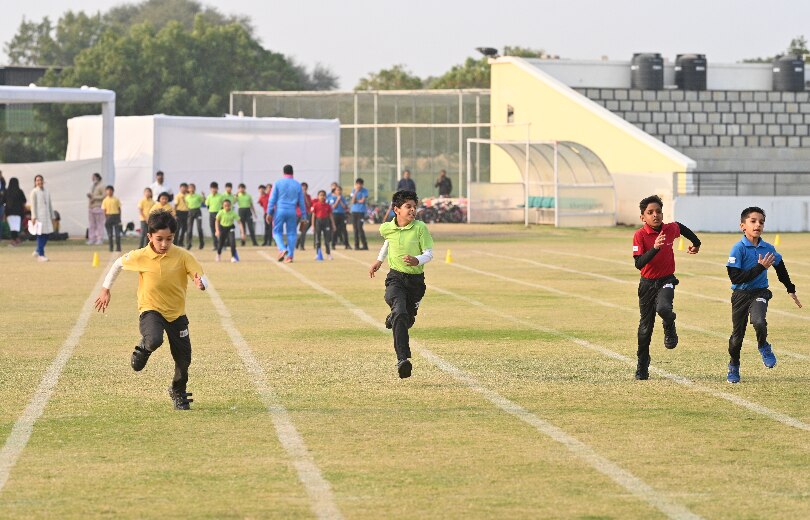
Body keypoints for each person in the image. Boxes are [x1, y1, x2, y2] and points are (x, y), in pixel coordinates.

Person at [93, 210, 207, 410]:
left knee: (184, 359)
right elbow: (117, 264)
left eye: (169, 239)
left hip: (177, 314)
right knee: (154, 339)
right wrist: (105, 289)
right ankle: (143, 349)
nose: (164, 244)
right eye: (159, 239)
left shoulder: (182, 256)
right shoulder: (141, 256)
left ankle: (177, 390)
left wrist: (200, 282)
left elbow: (199, 275)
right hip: (151, 309)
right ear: (149, 237)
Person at [725, 207, 801, 384]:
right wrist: (760, 268)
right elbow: (735, 277)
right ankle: (734, 365)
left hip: (760, 292)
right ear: (743, 226)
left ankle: (763, 346)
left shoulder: (768, 248)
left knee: (758, 321)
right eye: (753, 221)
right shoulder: (738, 248)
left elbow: (780, 267)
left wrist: (790, 288)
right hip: (740, 295)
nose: (757, 224)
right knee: (737, 337)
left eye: (761, 221)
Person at [632, 195, 701, 381]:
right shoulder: (640, 235)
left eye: (658, 211)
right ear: (642, 217)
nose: (655, 215)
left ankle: (669, 324)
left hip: (666, 280)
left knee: (664, 308)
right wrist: (654, 248)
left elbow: (682, 228)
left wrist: (696, 244)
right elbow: (639, 264)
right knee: (645, 328)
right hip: (647, 284)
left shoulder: (670, 229)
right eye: (650, 212)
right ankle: (642, 366)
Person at [369, 190, 434, 378]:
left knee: (406, 320)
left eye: (414, 207)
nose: (413, 210)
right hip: (395, 278)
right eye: (408, 207)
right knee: (400, 312)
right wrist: (379, 260)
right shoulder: (387, 228)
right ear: (396, 209)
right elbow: (388, 241)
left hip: (415, 282)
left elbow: (429, 253)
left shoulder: (420, 228)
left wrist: (417, 260)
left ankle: (394, 318)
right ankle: (402, 359)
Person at [266, 164, 306, 263]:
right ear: (293, 172)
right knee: (292, 233)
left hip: (280, 210)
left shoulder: (278, 183)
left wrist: (269, 212)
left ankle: (282, 248)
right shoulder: (297, 184)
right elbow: (301, 202)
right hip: (292, 211)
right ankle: (290, 256)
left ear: (283, 172)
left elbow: (272, 200)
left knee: (276, 232)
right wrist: (304, 216)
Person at [30, 174, 55, 262]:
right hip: (38, 217)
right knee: (40, 235)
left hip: (47, 216)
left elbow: (50, 205)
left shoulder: (47, 191)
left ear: (43, 181)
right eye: (37, 180)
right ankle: (41, 255)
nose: (39, 182)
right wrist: (33, 217)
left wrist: (53, 216)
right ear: (35, 182)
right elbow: (33, 206)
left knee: (47, 234)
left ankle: (37, 250)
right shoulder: (34, 192)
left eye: (40, 180)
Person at [311, 189, 335, 260]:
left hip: (326, 222)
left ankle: (328, 254)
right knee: (317, 239)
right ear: (318, 196)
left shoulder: (327, 206)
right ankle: (318, 253)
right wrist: (313, 225)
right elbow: (313, 216)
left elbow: (330, 215)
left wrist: (333, 224)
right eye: (321, 195)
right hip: (318, 222)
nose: (322, 197)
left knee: (327, 239)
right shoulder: (315, 205)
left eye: (324, 195)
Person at [2, 177, 26, 246]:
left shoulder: (6, 191)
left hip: (9, 212)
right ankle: (16, 239)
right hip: (18, 212)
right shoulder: (20, 191)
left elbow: (3, 201)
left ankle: (13, 241)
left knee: (12, 227)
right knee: (16, 227)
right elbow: (24, 201)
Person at [328, 184, 351, 249]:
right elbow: (333, 207)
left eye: (340, 190)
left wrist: (340, 200)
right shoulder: (332, 198)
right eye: (338, 190)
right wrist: (337, 200)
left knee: (344, 230)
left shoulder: (342, 198)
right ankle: (333, 244)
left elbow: (344, 207)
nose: (339, 191)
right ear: (335, 191)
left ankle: (347, 244)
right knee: (334, 230)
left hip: (342, 215)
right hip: (335, 215)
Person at [205, 182, 226, 251]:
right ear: (210, 189)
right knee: (213, 230)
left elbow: (224, 206)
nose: (214, 190)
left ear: (217, 189)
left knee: (220, 230)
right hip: (211, 214)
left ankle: (222, 245)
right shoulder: (209, 197)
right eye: (212, 188)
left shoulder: (221, 196)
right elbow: (207, 206)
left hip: (219, 214)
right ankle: (215, 245)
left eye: (215, 188)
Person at [102, 185, 123, 252]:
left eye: (110, 190)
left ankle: (118, 248)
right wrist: (106, 217)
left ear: (113, 191)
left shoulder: (116, 199)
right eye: (108, 191)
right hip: (109, 216)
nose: (109, 192)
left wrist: (119, 217)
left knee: (117, 234)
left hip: (116, 216)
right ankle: (111, 248)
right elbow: (104, 210)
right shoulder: (105, 200)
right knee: (110, 234)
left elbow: (119, 209)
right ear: (106, 192)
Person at [87, 172, 105, 245]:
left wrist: (94, 197)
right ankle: (92, 239)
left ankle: (99, 239)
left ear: (97, 177)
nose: (92, 179)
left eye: (94, 177)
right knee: (91, 225)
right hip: (91, 207)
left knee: (99, 224)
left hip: (98, 207)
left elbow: (104, 196)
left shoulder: (102, 186)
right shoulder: (92, 186)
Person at [184, 183, 205, 250]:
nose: (191, 189)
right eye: (190, 188)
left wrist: (203, 196)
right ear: (188, 189)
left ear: (195, 189)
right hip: (190, 211)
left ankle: (201, 243)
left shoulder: (198, 196)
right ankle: (188, 244)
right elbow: (186, 204)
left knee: (199, 228)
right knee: (189, 229)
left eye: (193, 188)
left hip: (198, 211)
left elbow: (203, 202)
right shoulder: (186, 197)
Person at [350, 178, 369, 250]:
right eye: (357, 184)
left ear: (362, 184)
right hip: (354, 211)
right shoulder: (353, 190)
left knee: (360, 228)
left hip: (361, 211)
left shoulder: (365, 191)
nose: (359, 185)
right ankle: (356, 245)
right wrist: (355, 192)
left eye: (360, 184)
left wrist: (356, 200)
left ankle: (365, 245)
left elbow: (362, 201)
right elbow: (352, 201)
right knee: (355, 229)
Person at [295, 182, 312, 251]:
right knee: (292, 230)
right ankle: (291, 244)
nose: (304, 190)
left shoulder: (308, 196)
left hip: (304, 216)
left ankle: (301, 245)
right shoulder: (297, 196)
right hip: (297, 215)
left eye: (305, 188)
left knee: (303, 230)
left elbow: (309, 205)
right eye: (302, 188)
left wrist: (305, 196)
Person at [174, 182, 189, 247]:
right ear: (180, 188)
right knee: (178, 228)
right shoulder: (177, 196)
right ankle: (175, 242)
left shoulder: (188, 195)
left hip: (186, 213)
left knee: (184, 228)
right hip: (179, 212)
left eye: (185, 188)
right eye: (182, 188)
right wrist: (174, 214)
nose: (184, 189)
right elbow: (175, 205)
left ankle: (181, 242)